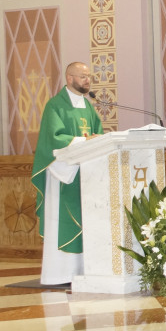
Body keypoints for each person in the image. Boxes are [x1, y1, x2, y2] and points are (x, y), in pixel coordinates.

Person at [30, 62, 103, 285]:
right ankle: (59, 273)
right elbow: (54, 139)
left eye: (88, 76)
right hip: (63, 174)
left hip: (85, 172)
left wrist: (95, 142)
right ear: (69, 78)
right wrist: (84, 141)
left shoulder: (88, 106)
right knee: (62, 220)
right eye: (83, 77)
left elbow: (98, 134)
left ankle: (85, 270)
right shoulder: (55, 106)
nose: (87, 80)